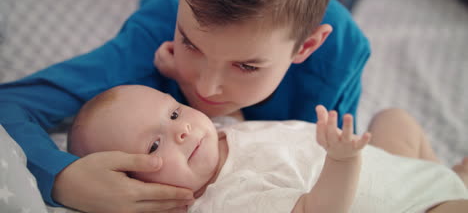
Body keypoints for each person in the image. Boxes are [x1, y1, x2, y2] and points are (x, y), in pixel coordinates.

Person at [0, 0, 370, 212]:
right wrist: (62, 177)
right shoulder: (154, 31)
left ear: (306, 46)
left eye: (246, 66)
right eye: (189, 44)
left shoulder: (340, 57)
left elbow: (316, 169)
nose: (206, 89)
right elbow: (9, 104)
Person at [68, 85, 468, 213]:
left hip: (396, 170)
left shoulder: (218, 132)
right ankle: (449, 188)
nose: (185, 131)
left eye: (174, 114)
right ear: (136, 189)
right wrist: (342, 160)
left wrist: (180, 75)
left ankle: (444, 176)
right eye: (155, 143)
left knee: (394, 118)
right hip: (408, 207)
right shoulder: (226, 201)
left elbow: (242, 125)